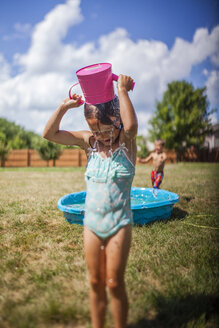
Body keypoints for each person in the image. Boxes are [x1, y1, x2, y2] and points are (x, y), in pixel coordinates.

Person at [43, 74, 138, 328]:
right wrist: (64, 107)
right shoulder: (89, 144)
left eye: (105, 129)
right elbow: (49, 134)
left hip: (119, 223)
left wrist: (123, 91)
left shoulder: (127, 145)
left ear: (116, 121)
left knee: (114, 282)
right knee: (95, 282)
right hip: (92, 224)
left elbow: (131, 128)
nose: (100, 135)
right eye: (94, 128)